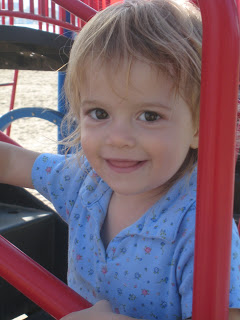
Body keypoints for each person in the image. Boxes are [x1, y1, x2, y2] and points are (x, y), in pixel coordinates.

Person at [0, 0, 240, 319]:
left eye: (149, 115)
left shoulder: (199, 226)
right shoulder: (86, 181)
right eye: (99, 113)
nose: (118, 138)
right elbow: (13, 163)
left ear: (199, 126)